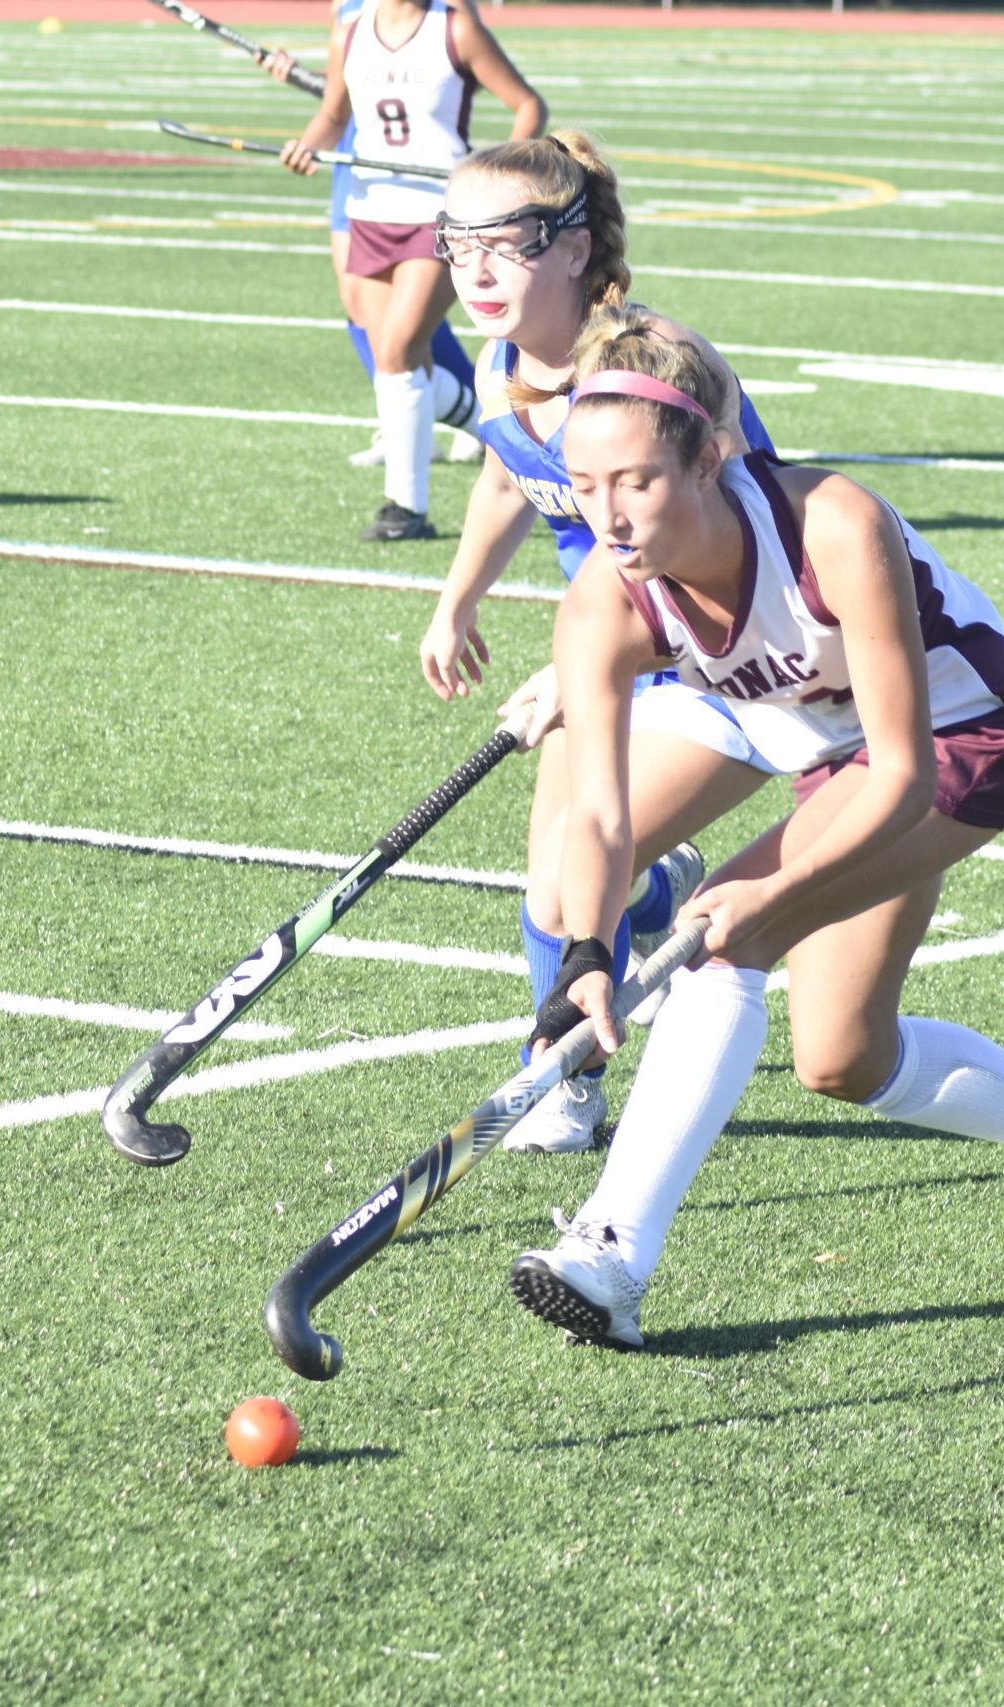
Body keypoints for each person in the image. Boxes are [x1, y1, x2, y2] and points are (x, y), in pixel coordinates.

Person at [499, 310, 1004, 1350]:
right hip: (838, 764)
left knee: (723, 934)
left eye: (635, 481)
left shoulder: (831, 525)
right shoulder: (605, 599)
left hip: (974, 741)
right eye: (585, 487)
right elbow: (598, 811)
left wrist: (767, 895)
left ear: (709, 460)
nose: (610, 517)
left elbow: (905, 770)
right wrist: (587, 957)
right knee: (843, 1059)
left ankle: (613, 1251)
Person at [419, 133, 782, 1154]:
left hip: (734, 640)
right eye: (456, 245)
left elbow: (727, 532)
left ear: (574, 249)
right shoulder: (500, 369)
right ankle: (577, 1046)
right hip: (618, 633)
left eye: (509, 243)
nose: (476, 271)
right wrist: (459, 599)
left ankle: (566, 1071)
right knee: (561, 881)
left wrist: (580, 658)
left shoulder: (641, 368)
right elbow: (505, 472)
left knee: (580, 866)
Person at [279, 0, 543, 542]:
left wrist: (499, 170)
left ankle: (406, 508)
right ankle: (495, 432)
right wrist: (307, 147)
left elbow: (527, 105)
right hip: (367, 211)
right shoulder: (350, 32)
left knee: (399, 352)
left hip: (437, 216)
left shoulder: (455, 29)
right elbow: (334, 116)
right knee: (397, 363)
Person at [260, 9, 482, 471]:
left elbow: (446, 70)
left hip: (420, 178)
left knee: (403, 333)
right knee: (362, 310)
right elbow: (341, 90)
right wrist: (299, 75)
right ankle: (416, 416)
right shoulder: (348, 19)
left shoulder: (448, 21)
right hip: (359, 169)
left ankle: (454, 420)